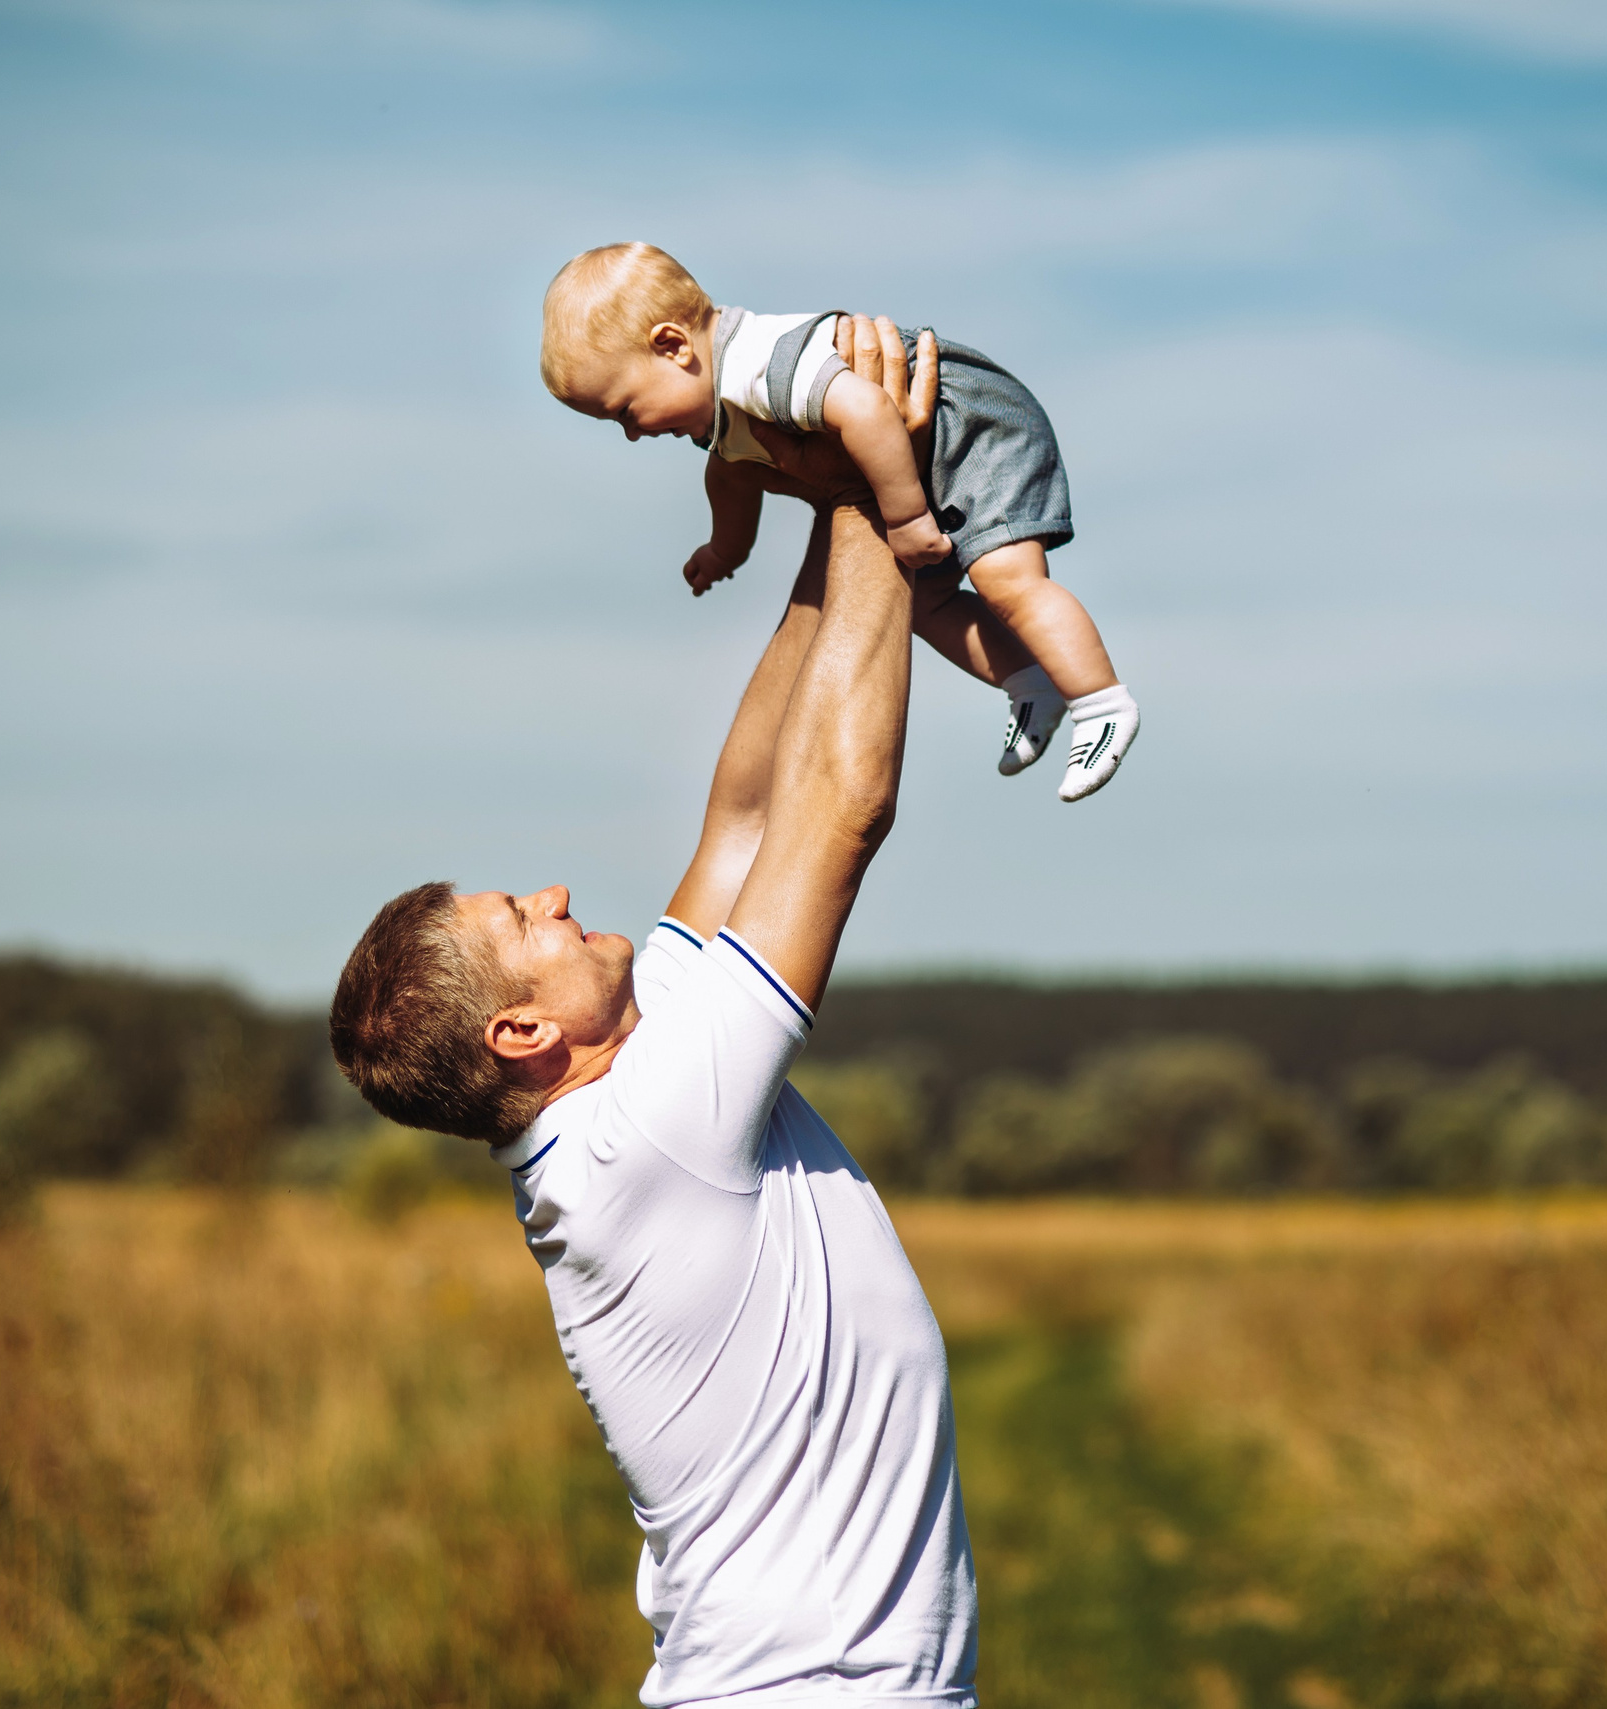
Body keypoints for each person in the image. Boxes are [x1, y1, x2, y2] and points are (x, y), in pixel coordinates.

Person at [330, 323, 977, 1707]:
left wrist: (823, 500)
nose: (555, 892)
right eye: (523, 920)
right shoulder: (647, 1138)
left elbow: (749, 810)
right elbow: (839, 811)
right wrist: (889, 490)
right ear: (520, 1034)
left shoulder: (639, 1054)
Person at [540, 241, 1140, 804]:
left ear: (673, 346)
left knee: (1006, 580)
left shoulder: (760, 366)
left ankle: (1100, 703)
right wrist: (726, 549)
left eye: (625, 410)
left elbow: (869, 409)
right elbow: (731, 475)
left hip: (973, 431)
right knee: (924, 607)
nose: (633, 433)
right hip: (925, 458)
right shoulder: (719, 405)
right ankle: (1031, 682)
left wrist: (904, 518)